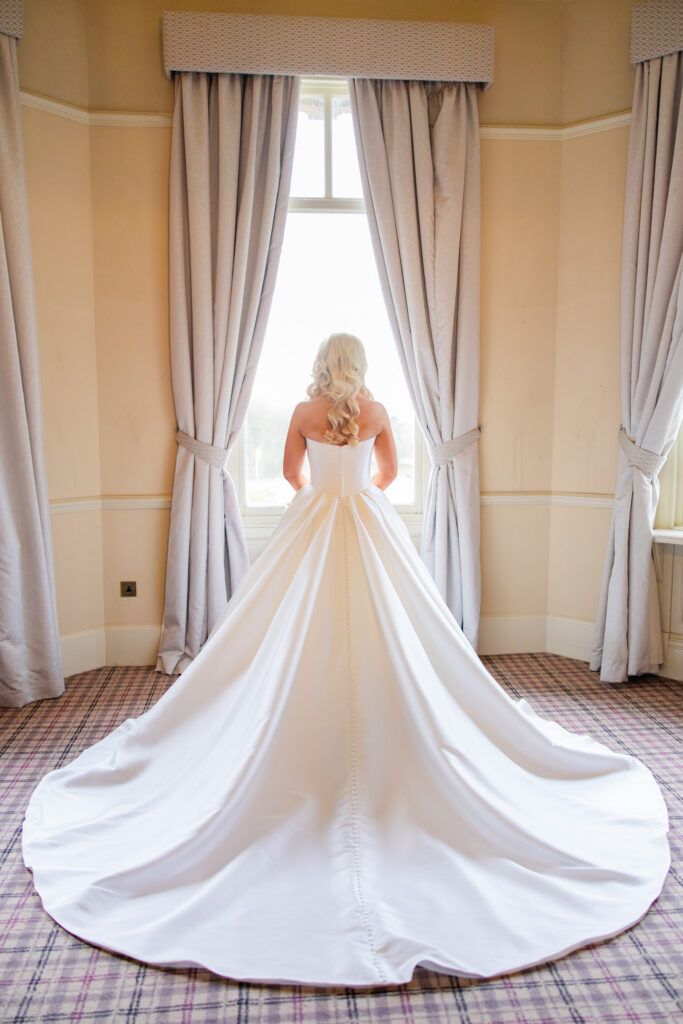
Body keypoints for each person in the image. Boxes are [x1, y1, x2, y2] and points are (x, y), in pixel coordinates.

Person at [22, 333, 670, 989]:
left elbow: (286, 476)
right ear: (357, 368)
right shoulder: (380, 411)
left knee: (285, 630)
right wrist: (360, 484)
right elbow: (387, 476)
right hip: (367, 522)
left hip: (314, 521)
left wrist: (318, 486)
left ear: (321, 366)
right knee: (398, 629)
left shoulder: (305, 414)